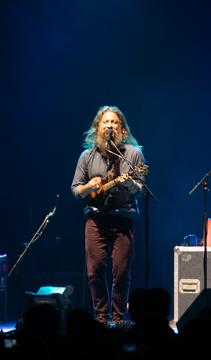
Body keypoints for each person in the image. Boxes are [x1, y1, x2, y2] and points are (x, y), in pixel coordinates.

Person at [71, 106, 145, 324]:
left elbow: (140, 189)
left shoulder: (133, 154)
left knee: (121, 273)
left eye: (114, 122)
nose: (110, 126)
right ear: (98, 127)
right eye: (106, 122)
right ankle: (101, 317)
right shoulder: (87, 156)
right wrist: (89, 187)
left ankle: (118, 318)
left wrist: (131, 183)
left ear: (121, 127)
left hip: (124, 218)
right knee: (95, 272)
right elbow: (75, 190)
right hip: (96, 219)